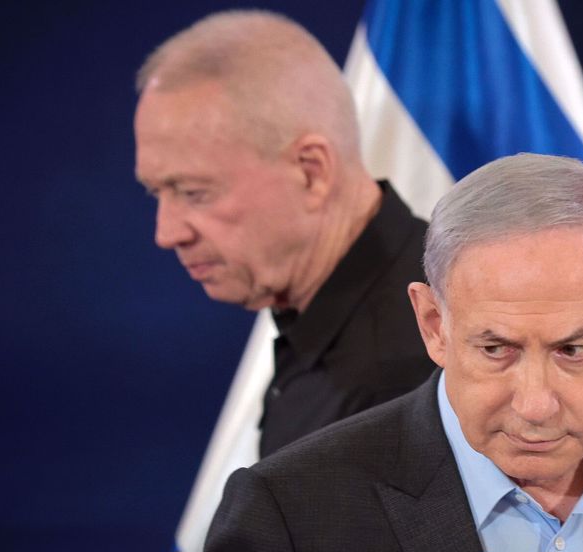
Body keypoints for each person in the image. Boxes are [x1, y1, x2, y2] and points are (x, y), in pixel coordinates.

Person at [205, 153, 583, 551]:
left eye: (574, 349)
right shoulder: (292, 514)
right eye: (496, 349)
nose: (535, 405)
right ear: (433, 325)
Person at [133, 10, 434, 457]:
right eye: (155, 192)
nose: (166, 233)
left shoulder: (403, 384)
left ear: (310, 172)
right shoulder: (329, 324)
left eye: (194, 192)